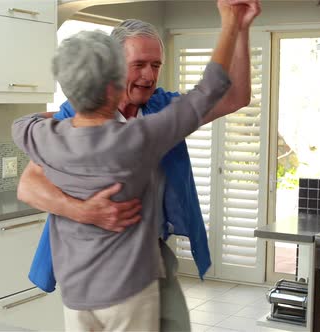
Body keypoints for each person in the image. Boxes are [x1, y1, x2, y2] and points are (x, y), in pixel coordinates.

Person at [17, 0, 261, 330]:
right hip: (90, 258)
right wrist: (85, 211)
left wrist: (242, 29)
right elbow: (29, 184)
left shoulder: (161, 107)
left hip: (148, 251)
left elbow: (235, 98)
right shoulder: (79, 113)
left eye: (156, 65)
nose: (149, 75)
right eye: (139, 64)